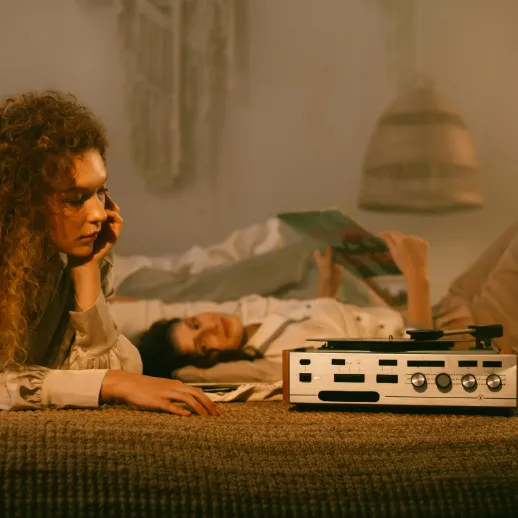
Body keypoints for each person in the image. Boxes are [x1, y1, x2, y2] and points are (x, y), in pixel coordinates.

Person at [0, 91, 219, 416]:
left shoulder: (66, 258)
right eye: (76, 199)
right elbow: (106, 380)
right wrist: (109, 383)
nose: (99, 214)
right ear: (24, 204)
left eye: (100, 192)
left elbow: (113, 370)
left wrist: (87, 269)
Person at [108, 231, 432, 383]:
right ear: (213, 361)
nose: (210, 327)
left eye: (195, 324)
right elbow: (419, 360)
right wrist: (418, 276)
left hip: (388, 313)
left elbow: (318, 324)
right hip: (423, 333)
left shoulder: (256, 316)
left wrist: (326, 287)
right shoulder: (282, 360)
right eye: (203, 344)